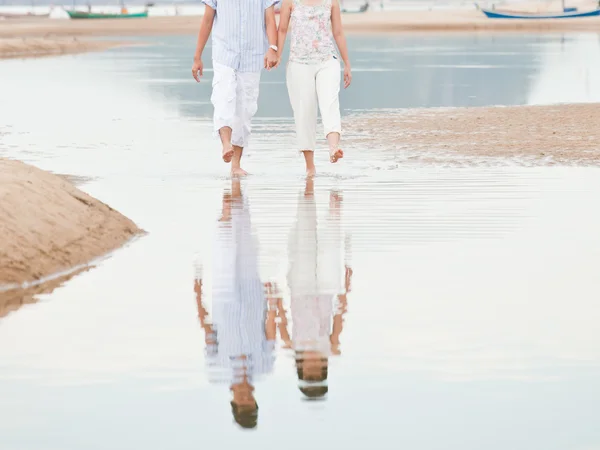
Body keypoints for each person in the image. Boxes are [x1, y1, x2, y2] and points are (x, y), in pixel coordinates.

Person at [193, 180, 282, 428]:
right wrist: (273, 304)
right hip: (254, 298)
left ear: (233, 400)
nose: (245, 396)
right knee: (247, 249)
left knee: (224, 254)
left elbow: (208, 330)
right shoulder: (264, 367)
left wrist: (198, 294)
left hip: (224, 301)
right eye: (248, 401)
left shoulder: (218, 368)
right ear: (254, 400)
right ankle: (237, 200)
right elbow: (270, 335)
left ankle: (227, 208)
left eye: (242, 400)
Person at [279, 178, 353, 399]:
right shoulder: (331, 348)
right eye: (315, 372)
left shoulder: (291, 347)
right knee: (330, 247)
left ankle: (307, 198)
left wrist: (274, 297)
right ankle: (333, 204)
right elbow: (339, 318)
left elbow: (281, 318)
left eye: (310, 372)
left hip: (300, 289)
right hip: (327, 289)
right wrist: (346, 289)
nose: (312, 367)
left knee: (303, 243)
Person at [192, 0, 279, 177]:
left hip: (252, 55)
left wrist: (273, 48)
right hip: (224, 52)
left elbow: (269, 19)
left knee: (245, 108)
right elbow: (207, 20)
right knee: (223, 96)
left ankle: (236, 164)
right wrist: (197, 57)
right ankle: (226, 144)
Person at [276, 0, 352, 177]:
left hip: (327, 61)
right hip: (298, 63)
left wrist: (347, 63)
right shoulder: (290, 2)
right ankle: (310, 167)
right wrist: (277, 54)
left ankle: (334, 148)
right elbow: (282, 30)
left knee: (330, 102)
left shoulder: (332, 2)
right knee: (304, 112)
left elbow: (338, 33)